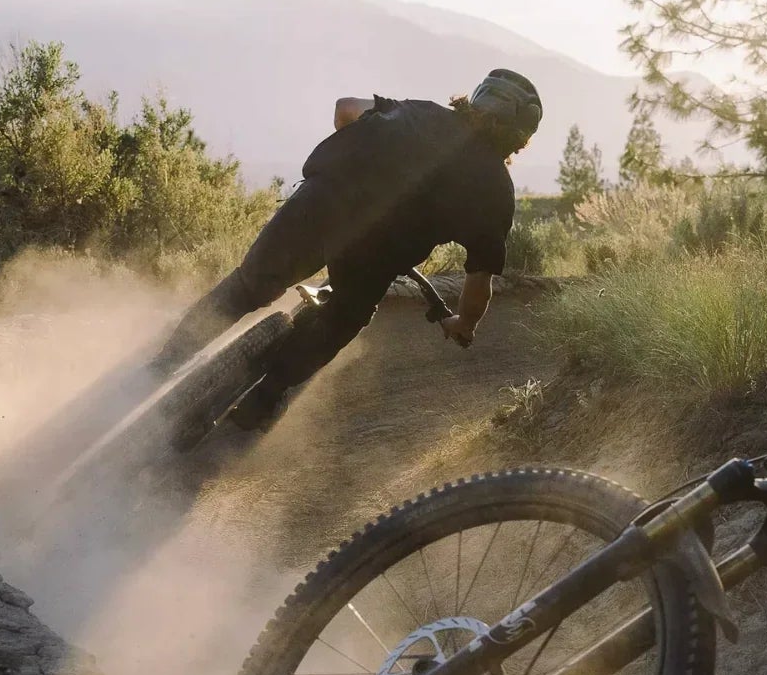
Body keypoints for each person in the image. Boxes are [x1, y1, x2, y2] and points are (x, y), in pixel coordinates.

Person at [151, 68, 542, 429]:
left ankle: (162, 365)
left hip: (316, 208)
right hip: (373, 256)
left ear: (475, 99)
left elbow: (346, 109)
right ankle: (262, 401)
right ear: (519, 138)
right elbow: (478, 282)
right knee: (343, 320)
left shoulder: (421, 113)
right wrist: (464, 324)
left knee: (246, 287)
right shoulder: (494, 191)